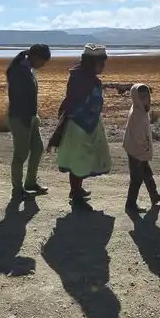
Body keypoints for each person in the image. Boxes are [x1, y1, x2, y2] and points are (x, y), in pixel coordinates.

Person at [47, 43, 112, 204]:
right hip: (78, 126)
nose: (103, 66)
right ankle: (75, 194)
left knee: (84, 159)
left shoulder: (88, 79)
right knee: (79, 159)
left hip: (89, 124)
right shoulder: (80, 80)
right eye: (101, 63)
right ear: (92, 63)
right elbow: (74, 103)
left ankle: (77, 189)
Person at [6, 44, 52, 199]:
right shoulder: (20, 71)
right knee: (20, 155)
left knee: (37, 148)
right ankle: (17, 189)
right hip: (20, 118)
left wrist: (34, 116)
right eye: (43, 62)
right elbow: (19, 98)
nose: (43, 65)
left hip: (30, 117)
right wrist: (27, 118)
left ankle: (30, 182)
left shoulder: (27, 69)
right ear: (35, 57)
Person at [122, 83, 160, 212]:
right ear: (136, 97)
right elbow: (138, 135)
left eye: (147, 96)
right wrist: (145, 148)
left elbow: (144, 130)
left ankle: (154, 196)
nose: (145, 99)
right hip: (136, 150)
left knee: (147, 173)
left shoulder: (140, 109)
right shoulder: (137, 114)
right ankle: (130, 204)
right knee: (136, 178)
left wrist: (153, 135)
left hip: (139, 149)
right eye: (142, 97)